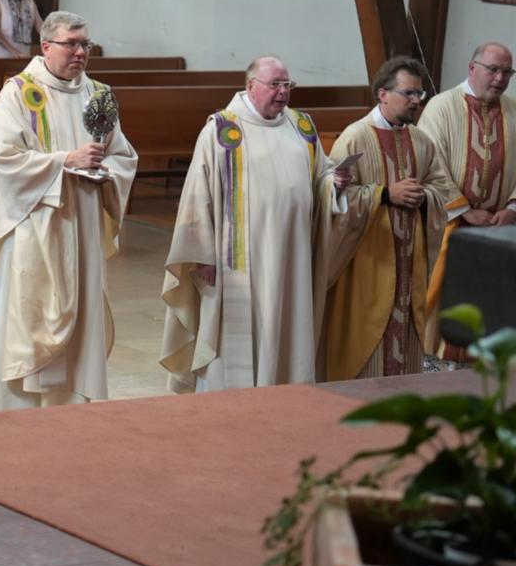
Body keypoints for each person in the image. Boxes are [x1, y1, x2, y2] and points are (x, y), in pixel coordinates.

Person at [0, 12, 139, 411]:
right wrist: (65, 161)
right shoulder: (19, 93)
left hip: (83, 225)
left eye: (85, 44)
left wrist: (105, 168)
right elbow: (3, 159)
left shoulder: (98, 95)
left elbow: (123, 155)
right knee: (27, 313)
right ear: (46, 47)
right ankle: (13, 409)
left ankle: (68, 408)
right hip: (34, 226)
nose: (80, 52)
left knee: (79, 315)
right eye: (71, 43)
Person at [160, 57, 374, 392]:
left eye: (287, 85)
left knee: (286, 325)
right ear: (250, 85)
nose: (283, 93)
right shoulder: (222, 130)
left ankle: (284, 393)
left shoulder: (301, 127)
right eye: (275, 85)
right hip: (238, 260)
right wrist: (202, 254)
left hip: (292, 255)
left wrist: (336, 182)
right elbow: (196, 195)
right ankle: (228, 400)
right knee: (237, 336)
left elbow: (320, 177)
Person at [321, 58, 454, 382]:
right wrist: (383, 195)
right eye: (408, 93)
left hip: (410, 266)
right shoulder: (355, 138)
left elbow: (443, 189)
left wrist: (424, 197)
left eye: (419, 94)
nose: (416, 101)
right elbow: (332, 198)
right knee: (366, 342)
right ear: (382, 94)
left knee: (405, 348)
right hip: (368, 264)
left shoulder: (421, 141)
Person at [417, 41, 515, 360]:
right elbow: (430, 162)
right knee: (444, 303)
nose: (500, 78)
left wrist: (512, 209)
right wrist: (464, 209)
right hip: (451, 226)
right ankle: (433, 360)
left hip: (500, 232)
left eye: (507, 72)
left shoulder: (514, 110)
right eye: (493, 70)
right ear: (472, 68)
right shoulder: (441, 106)